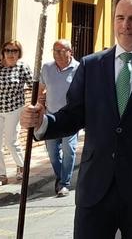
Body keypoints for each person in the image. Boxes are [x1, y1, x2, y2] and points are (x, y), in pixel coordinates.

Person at [20, 0, 132, 238]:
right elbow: (72, 117)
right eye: (119, 18)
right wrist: (42, 121)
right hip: (95, 189)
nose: (125, 25)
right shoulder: (91, 66)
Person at [0, 40, 34, 187]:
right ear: (3, 52)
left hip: (14, 108)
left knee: (11, 141)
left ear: (19, 53)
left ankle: (22, 166)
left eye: (14, 51)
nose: (10, 54)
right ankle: (1, 175)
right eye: (8, 50)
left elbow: (33, 85)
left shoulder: (22, 67)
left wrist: (38, 103)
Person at [40, 39, 80, 197]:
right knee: (52, 152)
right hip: (51, 116)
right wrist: (40, 106)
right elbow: (41, 90)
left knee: (68, 149)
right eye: (55, 50)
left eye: (62, 50)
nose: (58, 54)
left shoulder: (78, 68)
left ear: (71, 51)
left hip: (71, 117)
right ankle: (60, 176)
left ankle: (64, 183)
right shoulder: (47, 68)